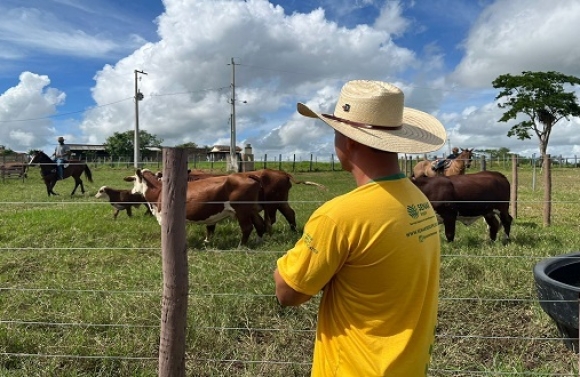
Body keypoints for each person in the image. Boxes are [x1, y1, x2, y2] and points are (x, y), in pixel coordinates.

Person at [274, 80, 446, 376]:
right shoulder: (418, 200)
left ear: (349, 141)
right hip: (409, 366)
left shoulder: (338, 216)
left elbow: (288, 293)